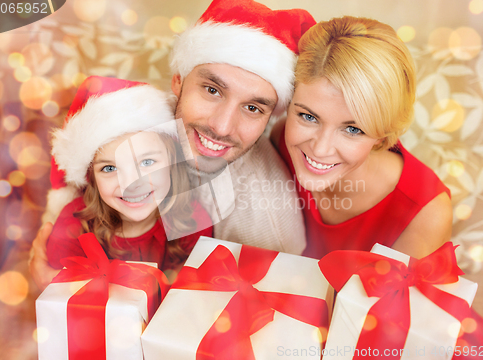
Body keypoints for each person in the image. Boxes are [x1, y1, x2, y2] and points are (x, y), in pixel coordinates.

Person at [30, 0, 317, 290]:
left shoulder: (265, 218)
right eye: (212, 90)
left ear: (270, 115)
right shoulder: (131, 121)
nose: (221, 127)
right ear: (177, 82)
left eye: (253, 108)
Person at [272, 16, 452, 260]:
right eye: (308, 116)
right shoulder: (280, 141)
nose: (320, 149)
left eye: (353, 129)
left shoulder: (425, 213)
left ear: (382, 136)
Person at [45, 76, 212, 275]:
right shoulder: (73, 228)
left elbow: (197, 295)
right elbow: (60, 299)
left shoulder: (193, 221)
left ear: (172, 162)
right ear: (92, 179)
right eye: (109, 168)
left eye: (147, 162)